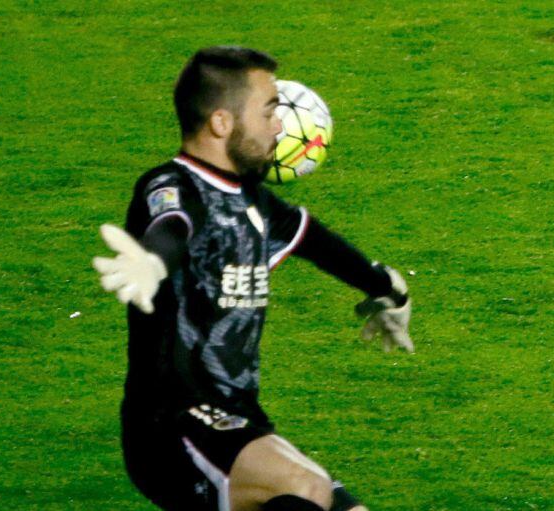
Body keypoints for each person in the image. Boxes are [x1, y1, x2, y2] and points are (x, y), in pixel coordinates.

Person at [92, 46, 413, 511]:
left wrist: (387, 289)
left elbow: (316, 241)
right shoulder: (171, 186)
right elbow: (173, 225)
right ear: (222, 123)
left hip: (238, 423)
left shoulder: (252, 203)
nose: (280, 127)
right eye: (269, 111)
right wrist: (151, 261)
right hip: (171, 425)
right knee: (303, 487)